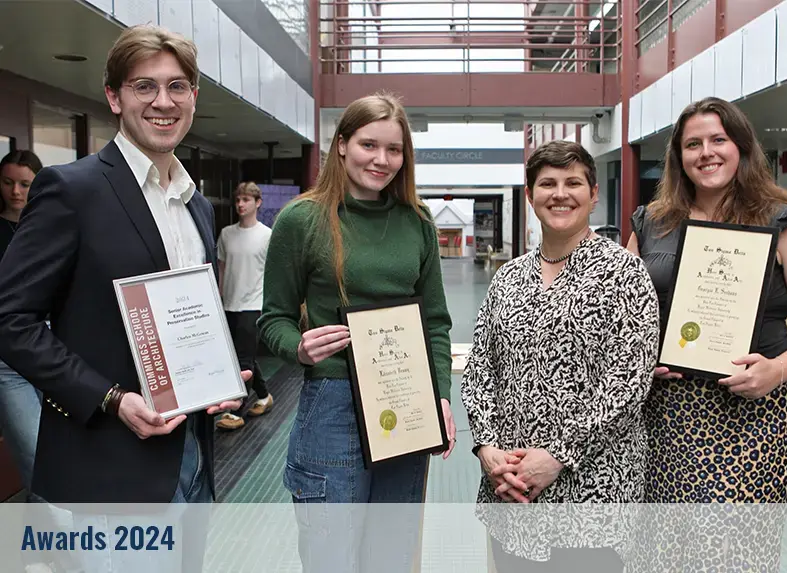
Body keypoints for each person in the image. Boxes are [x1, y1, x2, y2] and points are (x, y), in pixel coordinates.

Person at [0, 24, 248, 571]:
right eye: (145, 86)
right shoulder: (72, 190)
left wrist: (221, 378)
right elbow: (9, 320)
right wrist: (111, 397)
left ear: (194, 98)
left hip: (193, 461)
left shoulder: (197, 206)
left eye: (178, 86)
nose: (164, 101)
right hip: (112, 468)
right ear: (113, 97)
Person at [627, 97, 787, 570]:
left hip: (756, 414)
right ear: (678, 156)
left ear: (741, 147)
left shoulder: (784, 222)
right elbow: (624, 319)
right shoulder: (652, 224)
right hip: (667, 412)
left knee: (732, 551)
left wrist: (779, 370)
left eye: (718, 140)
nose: (706, 152)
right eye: (693, 144)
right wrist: (642, 360)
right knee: (663, 548)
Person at [258, 92, 456, 572]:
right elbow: (272, 321)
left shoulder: (418, 222)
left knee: (389, 557)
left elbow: (435, 322)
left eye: (394, 149)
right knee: (332, 556)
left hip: (406, 402)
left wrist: (441, 397)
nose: (382, 160)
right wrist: (299, 348)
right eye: (369, 145)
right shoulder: (302, 220)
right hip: (333, 403)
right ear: (342, 144)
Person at [461, 140, 660, 572]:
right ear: (530, 195)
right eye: (547, 183)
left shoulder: (623, 273)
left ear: (593, 195)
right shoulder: (508, 279)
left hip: (593, 492)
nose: (560, 193)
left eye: (573, 183)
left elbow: (628, 383)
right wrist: (488, 448)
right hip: (512, 491)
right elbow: (481, 370)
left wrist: (557, 455)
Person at [0, 150, 43, 493]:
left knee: (60, 453)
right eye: (8, 182)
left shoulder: (49, 226)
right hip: (7, 359)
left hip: (52, 348)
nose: (16, 191)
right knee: (35, 455)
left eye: (25, 184)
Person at [215, 181, 274, 431]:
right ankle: (263, 396)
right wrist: (217, 298)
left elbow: (273, 272)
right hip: (229, 303)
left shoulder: (267, 235)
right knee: (243, 356)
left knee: (243, 361)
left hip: (254, 304)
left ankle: (236, 411)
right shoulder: (227, 234)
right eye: (238, 200)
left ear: (257, 203)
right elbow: (221, 267)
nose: (240, 204)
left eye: (246, 200)